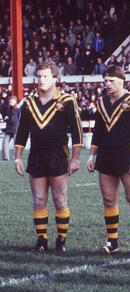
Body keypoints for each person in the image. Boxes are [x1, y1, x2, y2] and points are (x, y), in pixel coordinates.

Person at [13, 60, 83, 252]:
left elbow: (77, 133)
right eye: (39, 76)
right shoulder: (29, 102)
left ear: (55, 78)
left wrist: (75, 158)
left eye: (45, 76)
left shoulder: (67, 100)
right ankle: (41, 239)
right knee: (38, 199)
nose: (41, 80)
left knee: (60, 199)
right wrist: (18, 157)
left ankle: (61, 238)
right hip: (36, 156)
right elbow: (22, 132)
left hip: (58, 155)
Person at [86, 66, 130, 257]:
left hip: (127, 155)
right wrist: (91, 155)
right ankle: (112, 242)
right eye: (105, 81)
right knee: (108, 200)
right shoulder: (101, 102)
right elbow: (98, 132)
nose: (107, 84)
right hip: (105, 156)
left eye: (111, 81)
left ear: (121, 81)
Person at [2, 96, 20, 161]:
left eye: (12, 101)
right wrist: (5, 118)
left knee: (16, 145)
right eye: (10, 101)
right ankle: (5, 157)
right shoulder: (7, 109)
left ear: (15, 101)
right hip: (8, 130)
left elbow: (19, 119)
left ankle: (16, 157)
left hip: (16, 129)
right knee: (5, 143)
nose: (11, 102)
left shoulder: (18, 109)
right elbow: (5, 118)